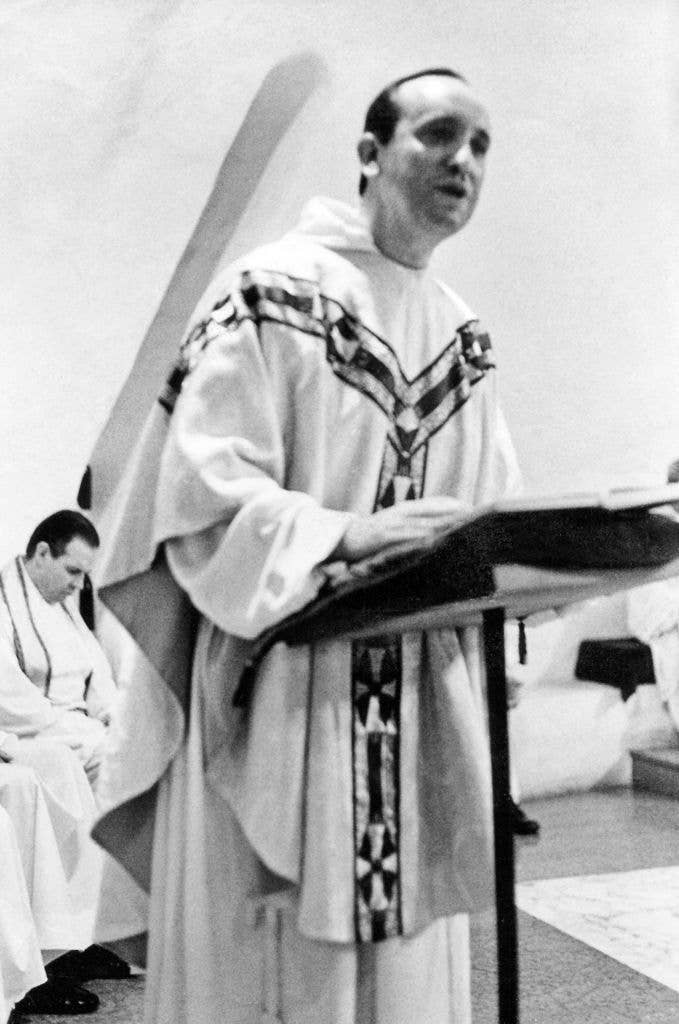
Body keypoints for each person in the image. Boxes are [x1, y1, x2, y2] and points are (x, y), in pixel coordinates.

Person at [93, 67, 522, 1024]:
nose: (464, 160)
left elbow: (493, 514)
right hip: (285, 688)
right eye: (439, 134)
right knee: (275, 975)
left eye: (481, 144)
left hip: (412, 702)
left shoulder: (464, 336)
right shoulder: (268, 292)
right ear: (370, 155)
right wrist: (345, 533)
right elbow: (198, 499)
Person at [0, 511, 131, 1014]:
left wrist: (114, 723)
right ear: (40, 554)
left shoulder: (64, 607)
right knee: (63, 767)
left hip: (70, 727)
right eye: (72, 571)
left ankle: (80, 934)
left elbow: (97, 676)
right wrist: (83, 731)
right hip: (37, 727)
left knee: (121, 758)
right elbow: (13, 697)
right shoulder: (6, 599)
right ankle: (53, 950)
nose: (79, 586)